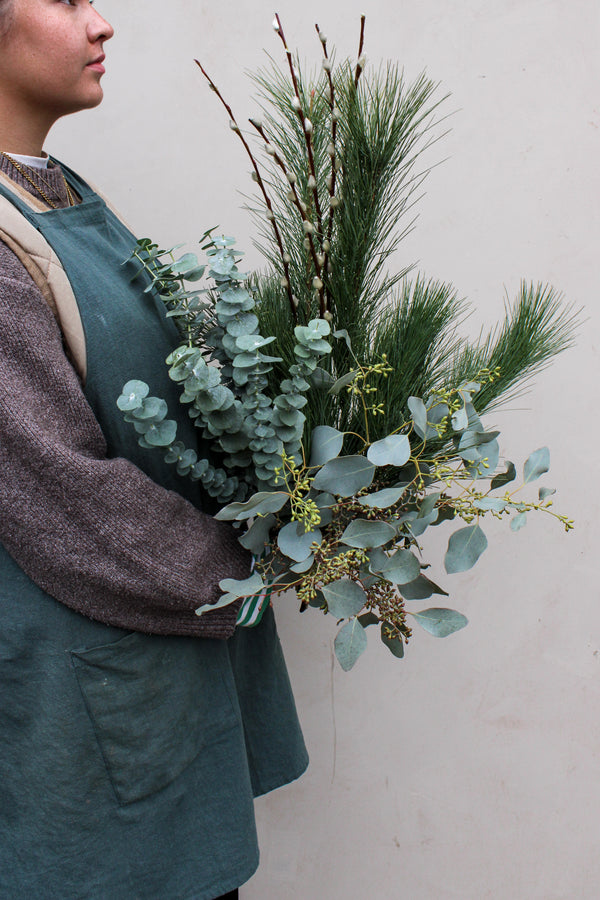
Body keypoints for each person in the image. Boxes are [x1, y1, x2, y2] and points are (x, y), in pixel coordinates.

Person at [0, 2, 308, 898]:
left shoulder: (51, 189)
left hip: (147, 669)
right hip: (77, 706)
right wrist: (255, 565)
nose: (101, 25)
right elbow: (61, 499)